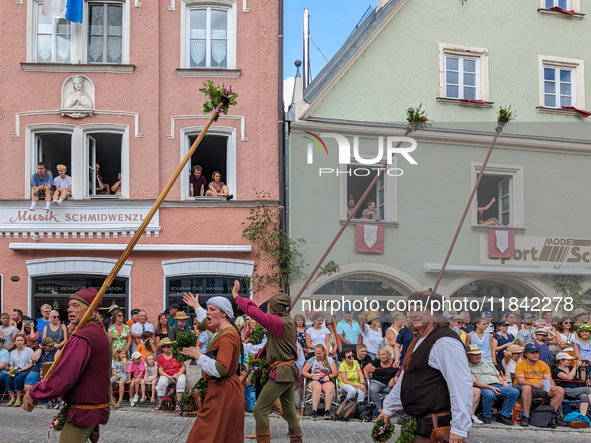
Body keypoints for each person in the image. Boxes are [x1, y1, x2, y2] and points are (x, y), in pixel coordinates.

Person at [378, 291, 473, 443]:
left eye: (420, 309)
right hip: (419, 425)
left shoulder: (444, 341)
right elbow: (407, 378)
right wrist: (389, 407)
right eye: (412, 309)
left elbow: (461, 384)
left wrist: (460, 428)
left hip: (436, 427)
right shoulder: (420, 340)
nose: (414, 314)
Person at [24, 288, 111, 443]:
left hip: (83, 411)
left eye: (76, 305)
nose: (69, 309)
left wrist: (34, 393)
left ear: (89, 309)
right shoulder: (99, 331)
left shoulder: (83, 337)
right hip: (92, 408)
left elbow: (65, 376)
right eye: (70, 305)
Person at [227, 282, 302, 442]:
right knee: (288, 410)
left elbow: (254, 312)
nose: (266, 307)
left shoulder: (278, 322)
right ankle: (297, 440)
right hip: (287, 370)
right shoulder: (286, 321)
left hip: (282, 372)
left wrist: (236, 296)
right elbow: (258, 311)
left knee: (259, 409)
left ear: (274, 308)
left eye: (269, 305)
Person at [180, 294, 245, 443]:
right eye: (207, 309)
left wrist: (199, 355)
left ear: (224, 313)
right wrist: (196, 306)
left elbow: (221, 368)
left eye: (212, 309)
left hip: (224, 392)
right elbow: (205, 320)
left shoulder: (227, 335)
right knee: (220, 435)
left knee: (206, 435)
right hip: (221, 389)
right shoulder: (220, 329)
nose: (207, 312)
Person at [513, 342, 565, 427]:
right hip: (524, 387)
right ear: (526, 354)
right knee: (527, 388)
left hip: (541, 387)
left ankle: (551, 416)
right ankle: (526, 416)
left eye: (536, 352)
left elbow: (549, 378)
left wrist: (552, 385)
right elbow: (521, 381)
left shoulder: (543, 364)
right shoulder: (521, 364)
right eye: (532, 353)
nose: (535, 355)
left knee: (559, 390)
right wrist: (534, 384)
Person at [466, 344, 518, 426]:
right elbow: (475, 382)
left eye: (479, 354)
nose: (478, 356)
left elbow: (497, 374)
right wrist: (490, 387)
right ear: (469, 356)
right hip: (483, 386)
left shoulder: (486, 361)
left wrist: (502, 381)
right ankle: (486, 415)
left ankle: (503, 415)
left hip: (497, 384)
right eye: (475, 355)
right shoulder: (466, 365)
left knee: (514, 392)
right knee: (489, 394)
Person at [301, 344, 337, 421]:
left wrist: (329, 377)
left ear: (324, 352)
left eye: (319, 353)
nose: (317, 355)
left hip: (325, 379)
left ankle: (327, 410)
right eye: (316, 353)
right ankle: (314, 411)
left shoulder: (330, 360)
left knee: (330, 388)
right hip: (314, 379)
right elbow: (303, 371)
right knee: (317, 388)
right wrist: (311, 376)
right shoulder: (312, 360)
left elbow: (335, 372)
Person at [553, 351, 591, 416]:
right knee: (588, 389)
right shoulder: (556, 370)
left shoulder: (571, 368)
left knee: (584, 396)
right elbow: (568, 378)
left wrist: (582, 368)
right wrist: (575, 366)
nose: (570, 362)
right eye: (567, 360)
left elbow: (582, 379)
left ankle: (582, 417)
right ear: (561, 360)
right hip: (565, 389)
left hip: (576, 389)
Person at [154, 338, 186, 411]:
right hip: (166, 374)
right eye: (168, 347)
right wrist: (169, 377)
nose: (170, 348)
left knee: (181, 381)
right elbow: (160, 370)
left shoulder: (177, 354)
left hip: (177, 373)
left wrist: (177, 374)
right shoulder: (160, 357)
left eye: (171, 346)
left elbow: (183, 366)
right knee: (161, 382)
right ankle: (161, 401)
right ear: (163, 348)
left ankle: (178, 401)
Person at [364, 346, 397, 414]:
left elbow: (400, 372)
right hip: (377, 382)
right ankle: (379, 409)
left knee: (396, 391)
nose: (382, 357)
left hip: (389, 384)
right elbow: (365, 369)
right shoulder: (377, 361)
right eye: (381, 355)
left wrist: (394, 378)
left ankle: (389, 409)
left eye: (384, 354)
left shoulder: (394, 362)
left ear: (388, 354)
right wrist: (368, 381)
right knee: (372, 389)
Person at [5, 334, 34, 406]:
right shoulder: (12, 352)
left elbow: (31, 364)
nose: (19, 342)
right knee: (7, 378)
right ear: (15, 342)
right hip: (16, 369)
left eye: (21, 340)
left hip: (26, 370)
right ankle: (12, 398)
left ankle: (18, 399)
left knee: (17, 378)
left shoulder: (29, 350)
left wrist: (22, 370)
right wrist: (11, 371)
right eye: (18, 340)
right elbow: (12, 365)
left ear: (24, 341)